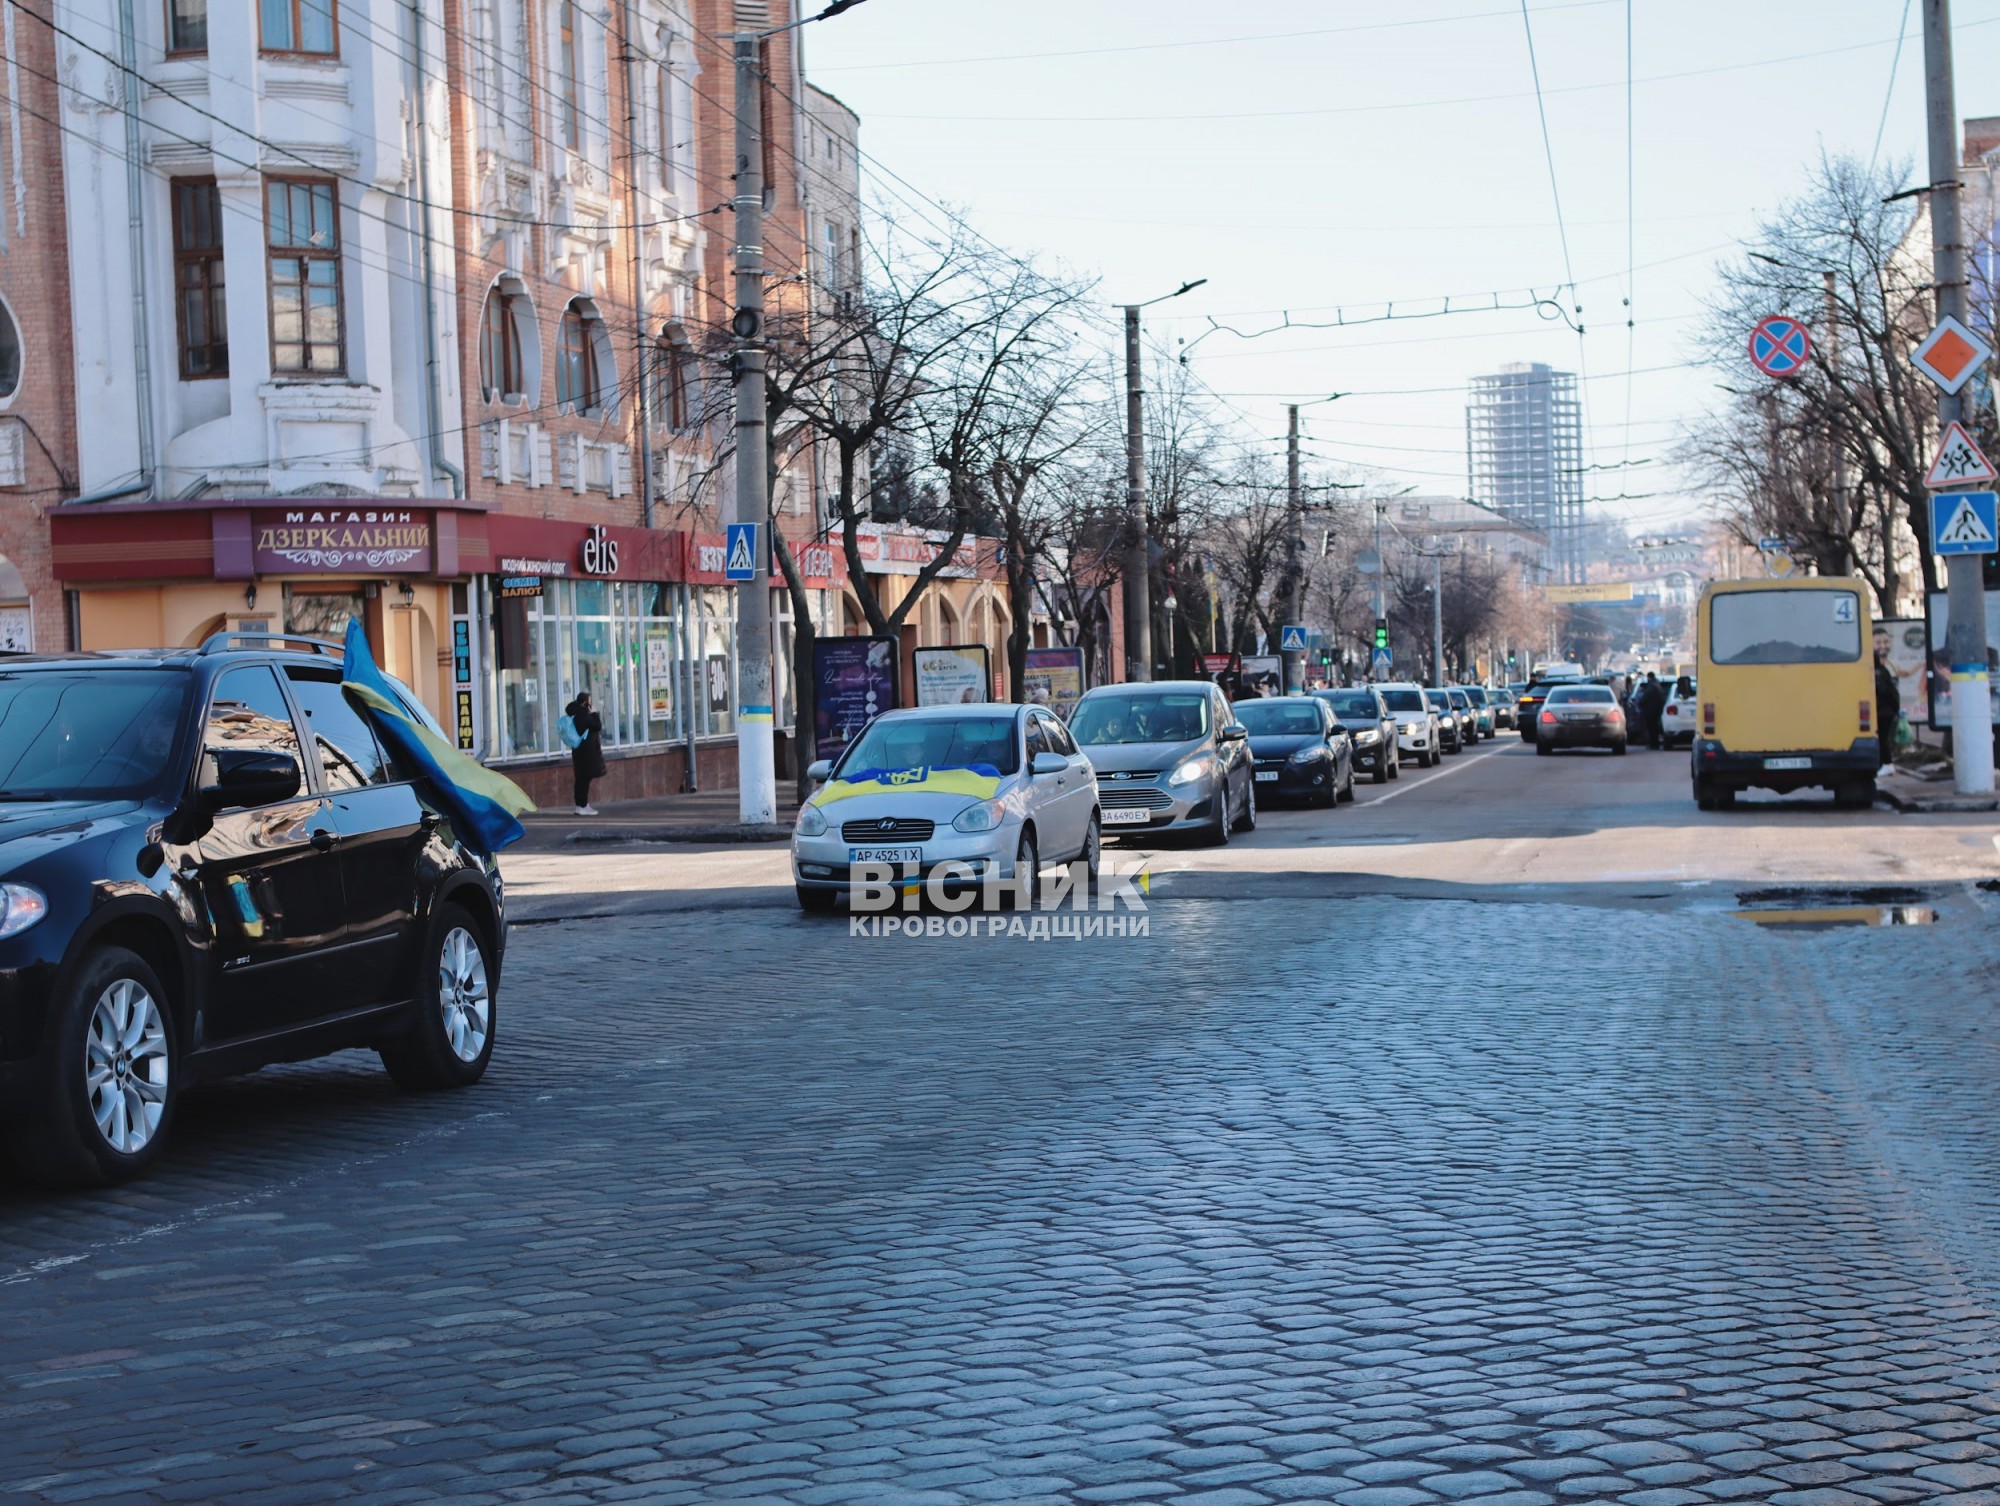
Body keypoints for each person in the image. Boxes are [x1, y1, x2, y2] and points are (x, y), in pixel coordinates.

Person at [565, 690, 606, 815]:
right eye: (589, 700)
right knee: (584, 779)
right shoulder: (583, 714)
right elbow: (597, 726)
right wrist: (595, 713)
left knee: (581, 779)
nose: (591, 703)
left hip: (578, 751)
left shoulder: (574, 713)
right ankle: (583, 805)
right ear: (585, 702)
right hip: (586, 752)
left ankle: (580, 805)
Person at [1874, 628, 1901, 771]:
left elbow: (1884, 691)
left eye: (1885, 642)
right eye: (1878, 643)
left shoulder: (1881, 669)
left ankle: (1887, 764)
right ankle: (1884, 764)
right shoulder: (1882, 668)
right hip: (1887, 710)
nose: (1882, 646)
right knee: (1881, 738)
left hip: (1884, 710)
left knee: (1881, 739)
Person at [1637, 671, 1667, 750]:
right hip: (1657, 711)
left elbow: (1645, 698)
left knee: (1652, 729)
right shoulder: (1657, 685)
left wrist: (1640, 704)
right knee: (1654, 728)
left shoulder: (1651, 686)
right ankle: (1654, 743)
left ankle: (1653, 744)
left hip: (1650, 711)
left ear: (1649, 677)